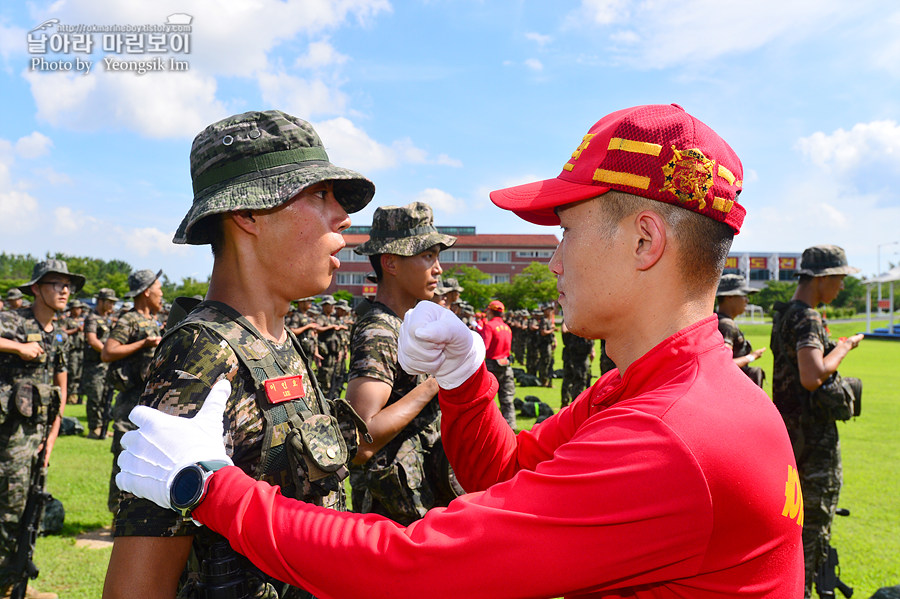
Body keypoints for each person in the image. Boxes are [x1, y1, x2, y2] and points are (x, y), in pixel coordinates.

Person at [115, 103, 804, 597]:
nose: (556, 261)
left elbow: (415, 567)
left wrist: (208, 485)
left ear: (645, 241)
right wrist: (467, 378)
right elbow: (503, 474)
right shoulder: (652, 390)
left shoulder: (668, 434)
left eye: (566, 230)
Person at [102, 109, 375, 599]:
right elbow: (137, 584)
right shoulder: (201, 352)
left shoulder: (278, 341)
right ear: (247, 214)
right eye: (319, 194)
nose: (343, 216)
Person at [346, 202, 459, 525]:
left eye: (437, 257)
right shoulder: (380, 331)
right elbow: (360, 440)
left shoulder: (409, 325)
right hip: (392, 517)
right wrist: (434, 384)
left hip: (421, 504)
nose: (438, 269)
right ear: (391, 263)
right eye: (427, 256)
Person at [770, 244, 863, 598]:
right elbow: (813, 375)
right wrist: (845, 347)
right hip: (814, 441)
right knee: (813, 533)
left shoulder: (784, 315)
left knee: (794, 527)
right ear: (822, 278)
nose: (840, 287)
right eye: (838, 279)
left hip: (790, 439)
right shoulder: (807, 316)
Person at [0, 259, 85, 599]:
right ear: (36, 288)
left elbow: (60, 389)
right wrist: (18, 347)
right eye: (56, 284)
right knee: (8, 509)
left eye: (68, 285)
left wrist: (52, 437)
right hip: (9, 435)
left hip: (37, 436)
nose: (65, 290)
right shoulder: (13, 320)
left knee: (27, 510)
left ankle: (13, 581)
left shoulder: (59, 335)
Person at [101, 269, 163, 515]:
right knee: (124, 457)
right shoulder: (129, 319)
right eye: (159, 288)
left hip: (147, 404)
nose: (161, 294)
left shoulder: (152, 320)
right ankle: (117, 514)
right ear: (146, 291)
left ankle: (134, 512)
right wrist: (142, 344)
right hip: (129, 404)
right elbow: (108, 351)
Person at [715, 274, 766, 387]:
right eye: (743, 295)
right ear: (730, 297)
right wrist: (752, 357)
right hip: (730, 389)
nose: (747, 300)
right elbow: (723, 364)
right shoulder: (727, 325)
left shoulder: (716, 320)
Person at [81, 288, 118, 439]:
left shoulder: (108, 319)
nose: (112, 305)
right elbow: (92, 339)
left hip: (106, 365)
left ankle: (103, 427)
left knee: (105, 397)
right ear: (100, 301)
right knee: (95, 397)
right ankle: (93, 428)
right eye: (109, 302)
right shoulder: (92, 318)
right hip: (94, 365)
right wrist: (107, 351)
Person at [479, 299, 516, 429]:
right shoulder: (507, 327)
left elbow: (484, 347)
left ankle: (489, 427)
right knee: (507, 399)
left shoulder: (489, 326)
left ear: (490, 311)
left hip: (491, 365)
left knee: (487, 400)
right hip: (506, 365)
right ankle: (510, 426)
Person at [560, 321, 594, 407]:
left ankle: (576, 404)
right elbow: (564, 329)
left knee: (582, 380)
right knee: (570, 378)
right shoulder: (568, 320)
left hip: (583, 356)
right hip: (572, 356)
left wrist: (592, 350)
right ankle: (568, 403)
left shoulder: (584, 318)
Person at [62, 300, 86, 404]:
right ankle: (71, 396)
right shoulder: (67, 320)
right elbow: (63, 332)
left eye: (79, 308)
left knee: (81, 374)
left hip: (82, 349)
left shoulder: (82, 320)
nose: (78, 310)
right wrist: (75, 330)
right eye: (76, 308)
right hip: (72, 351)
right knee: (72, 373)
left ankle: (80, 397)